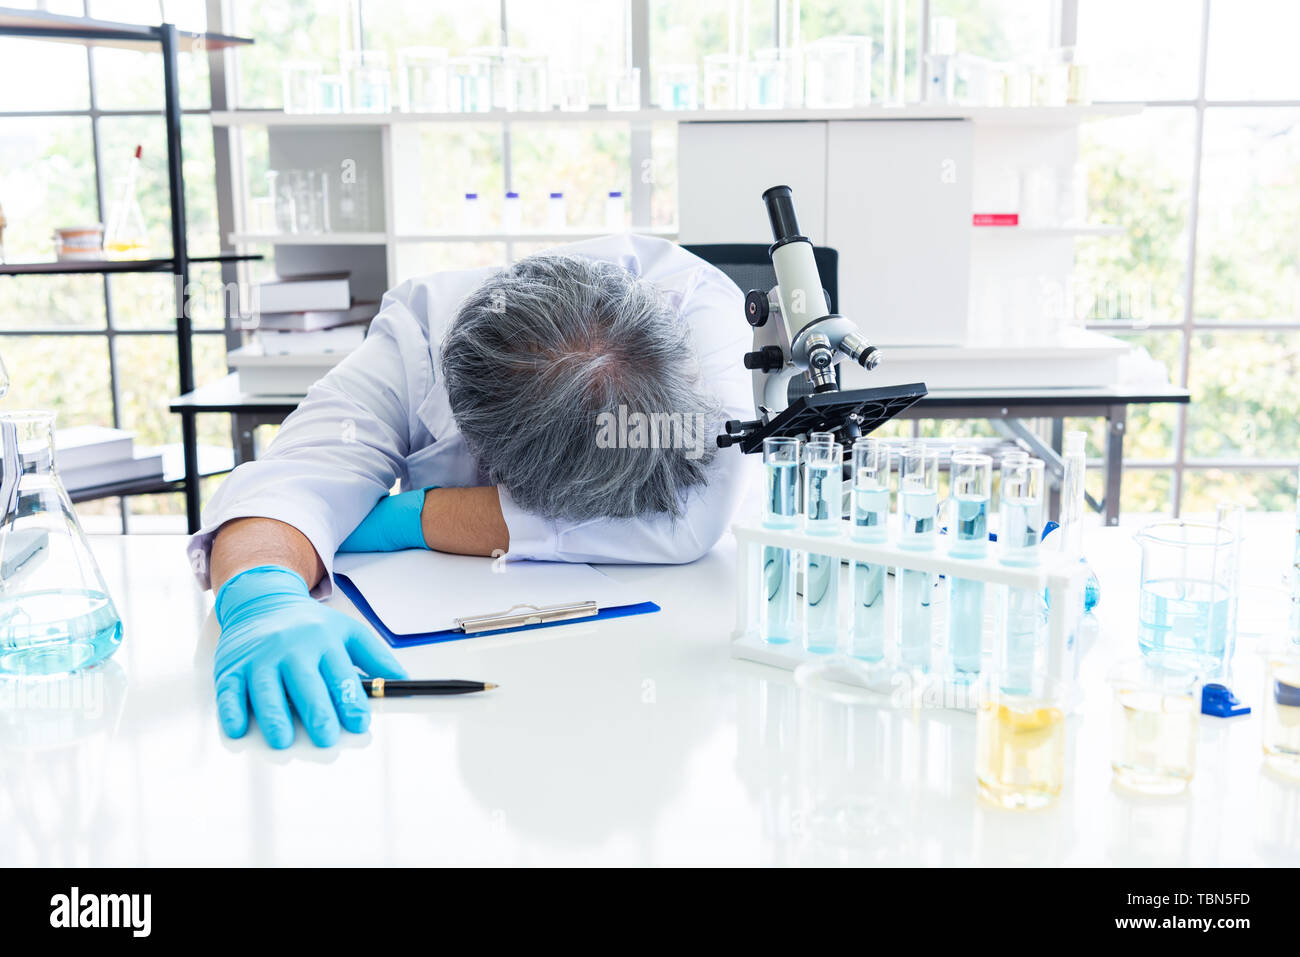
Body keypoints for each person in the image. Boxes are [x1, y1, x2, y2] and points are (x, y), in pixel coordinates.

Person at [188, 235, 751, 749]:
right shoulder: (417, 339)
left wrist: (416, 517)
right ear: (480, 445)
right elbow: (296, 481)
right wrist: (263, 592)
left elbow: (694, 517)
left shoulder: (701, 321)